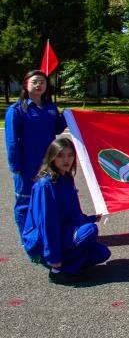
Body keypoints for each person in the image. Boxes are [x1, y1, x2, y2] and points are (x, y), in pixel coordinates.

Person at [22, 137, 110, 284]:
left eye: (70, 155)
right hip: (43, 239)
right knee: (89, 230)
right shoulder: (45, 184)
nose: (66, 160)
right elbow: (47, 224)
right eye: (60, 156)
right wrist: (53, 257)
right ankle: (57, 271)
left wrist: (91, 217)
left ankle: (70, 265)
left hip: (63, 231)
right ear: (52, 157)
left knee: (102, 253)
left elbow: (73, 213)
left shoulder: (66, 178)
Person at [5, 70, 67, 240]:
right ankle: (27, 239)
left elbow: (57, 129)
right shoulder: (17, 110)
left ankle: (45, 234)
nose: (39, 85)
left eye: (42, 82)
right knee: (25, 203)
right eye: (35, 82)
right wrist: (15, 167)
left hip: (50, 163)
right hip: (27, 165)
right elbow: (11, 141)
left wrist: (66, 116)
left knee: (49, 198)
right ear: (26, 85)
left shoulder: (50, 108)